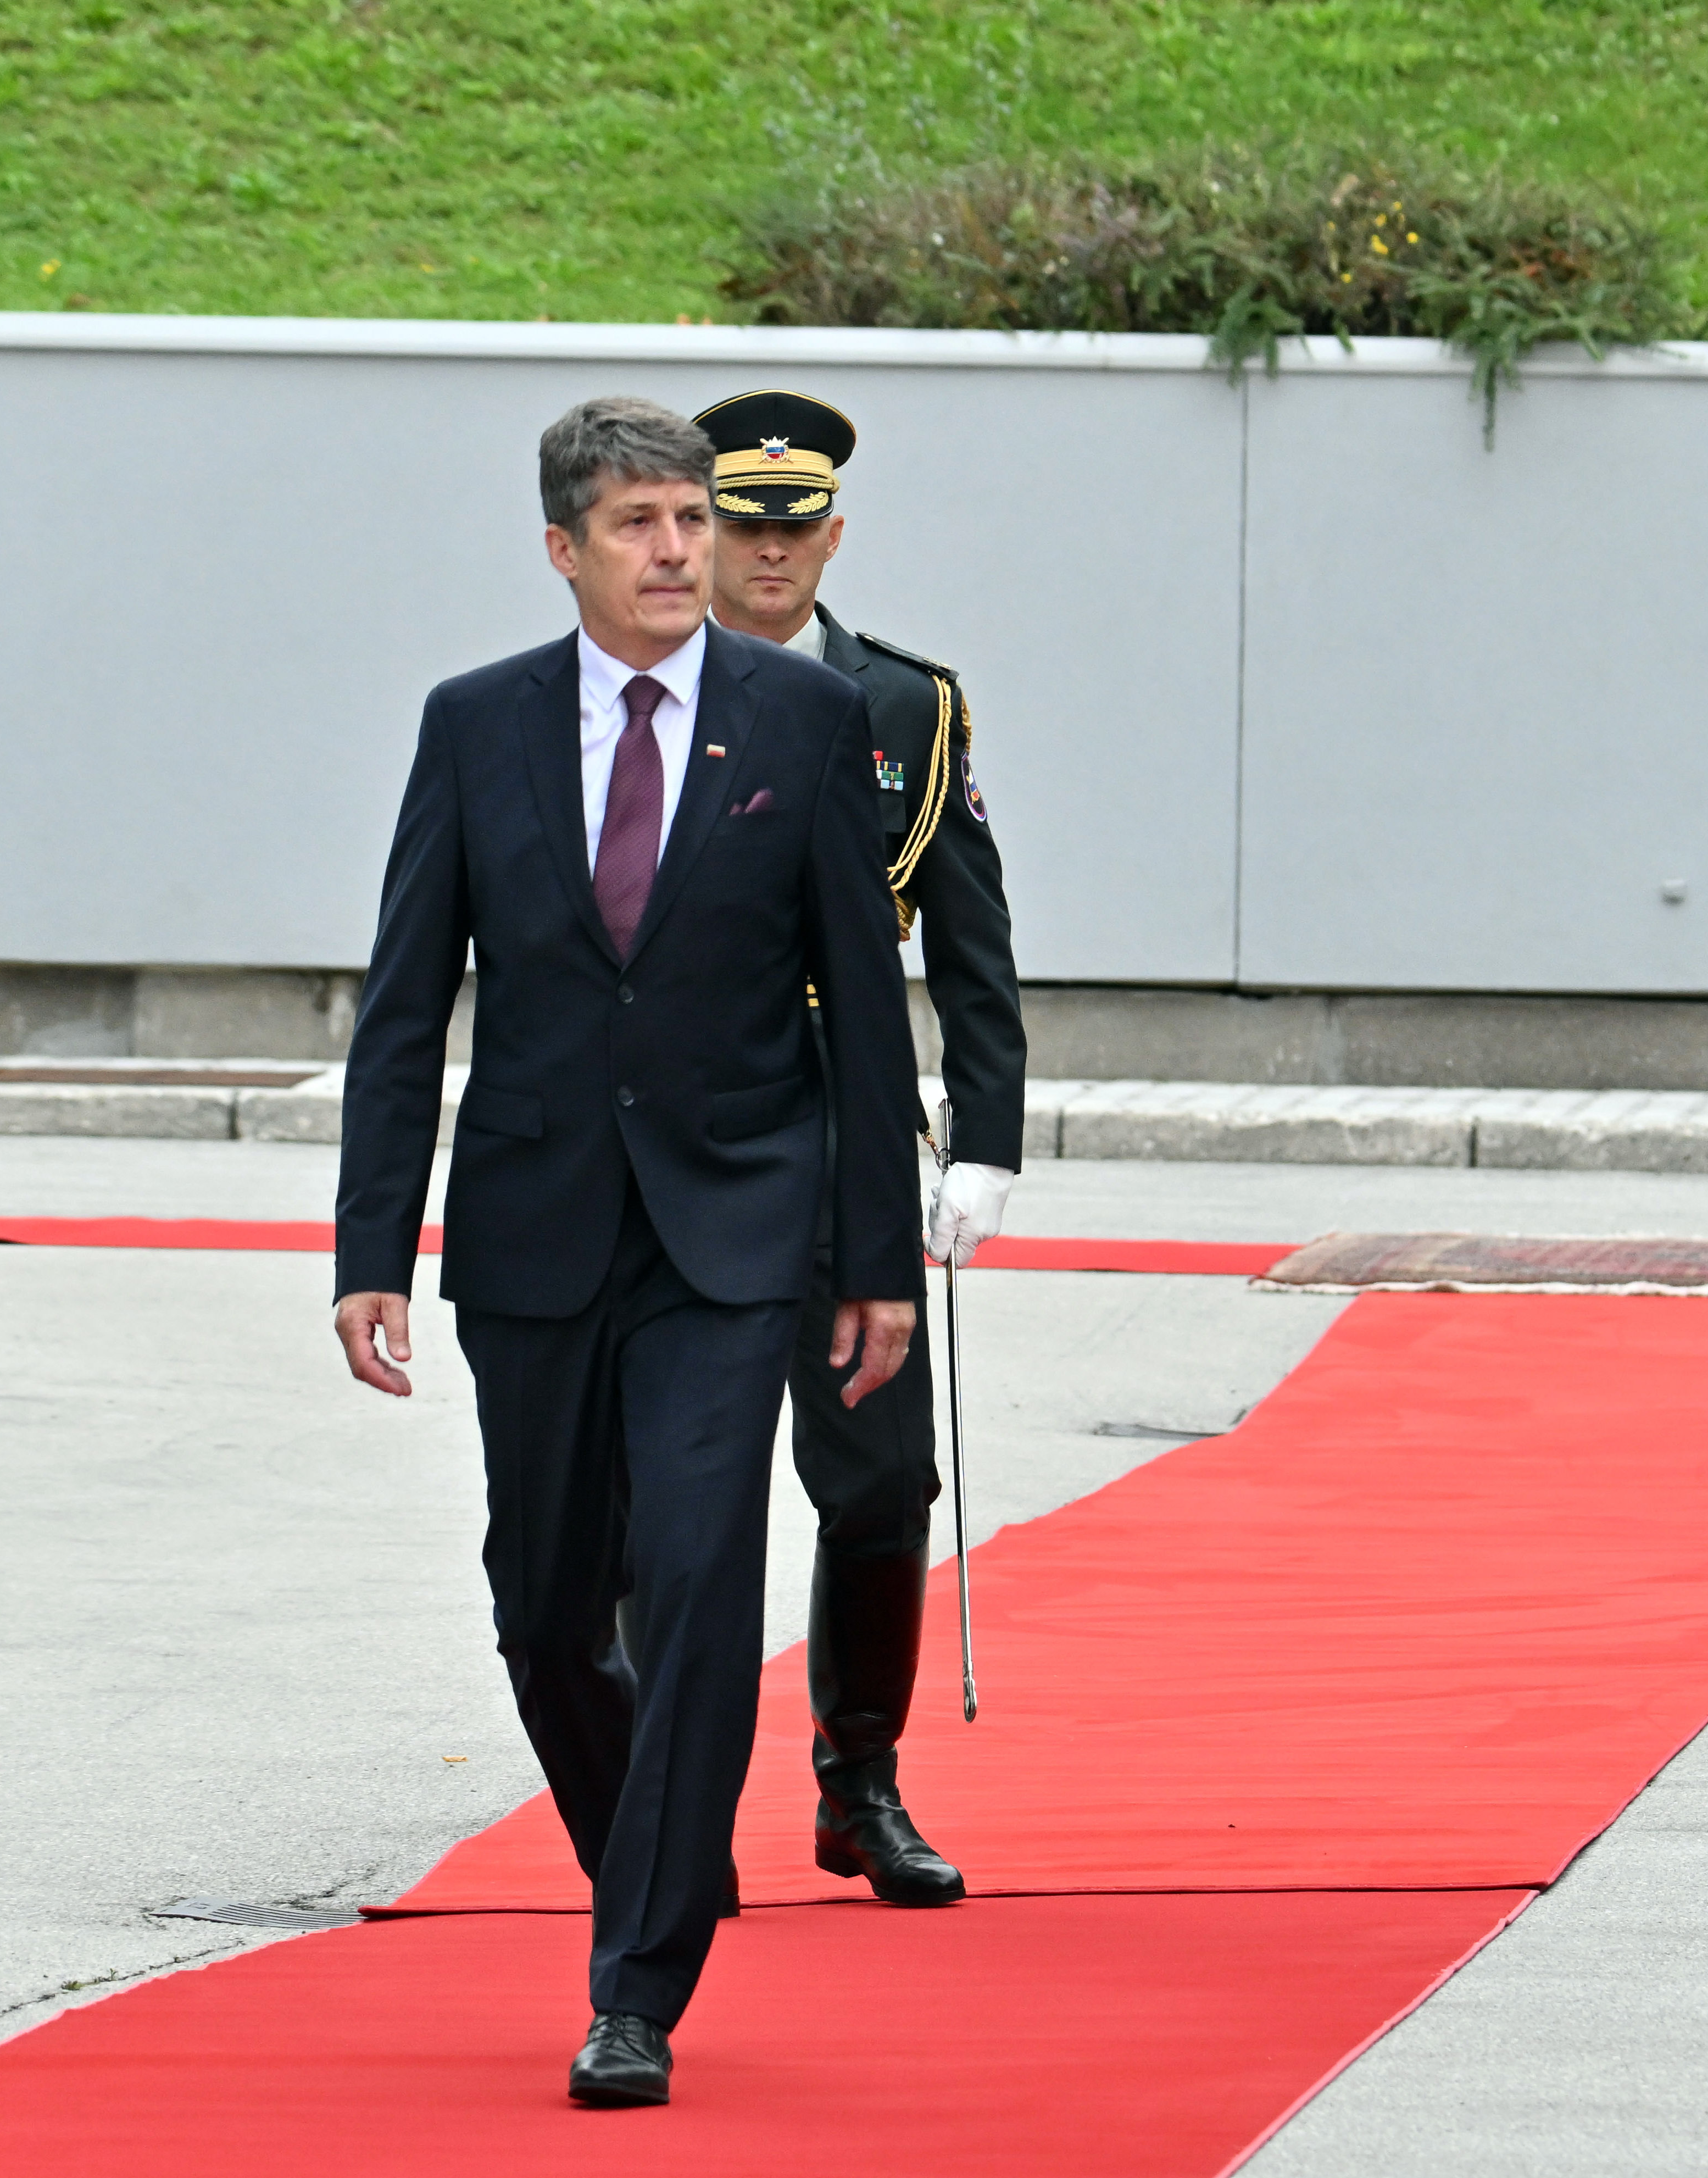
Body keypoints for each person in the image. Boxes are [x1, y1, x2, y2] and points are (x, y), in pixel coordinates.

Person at [331, 396, 926, 2108]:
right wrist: (373, 1240)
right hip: (530, 1226)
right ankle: (659, 1851)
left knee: (693, 1578)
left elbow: (862, 1009)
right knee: (540, 1605)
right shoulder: (474, 726)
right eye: (644, 524)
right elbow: (402, 1005)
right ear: (565, 550)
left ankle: (634, 1982)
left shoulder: (802, 721)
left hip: (733, 1231)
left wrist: (868, 1252)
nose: (681, 550)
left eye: (692, 519)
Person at [694, 387, 1026, 1906]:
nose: (771, 555)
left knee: (885, 1480)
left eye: (794, 528)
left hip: (847, 1138)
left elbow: (970, 937)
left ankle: (859, 1781)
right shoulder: (635, 695)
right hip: (686, 1132)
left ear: (832, 531)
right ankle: (664, 1797)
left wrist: (987, 1141)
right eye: (742, 528)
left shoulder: (909, 705)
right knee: (667, 1495)